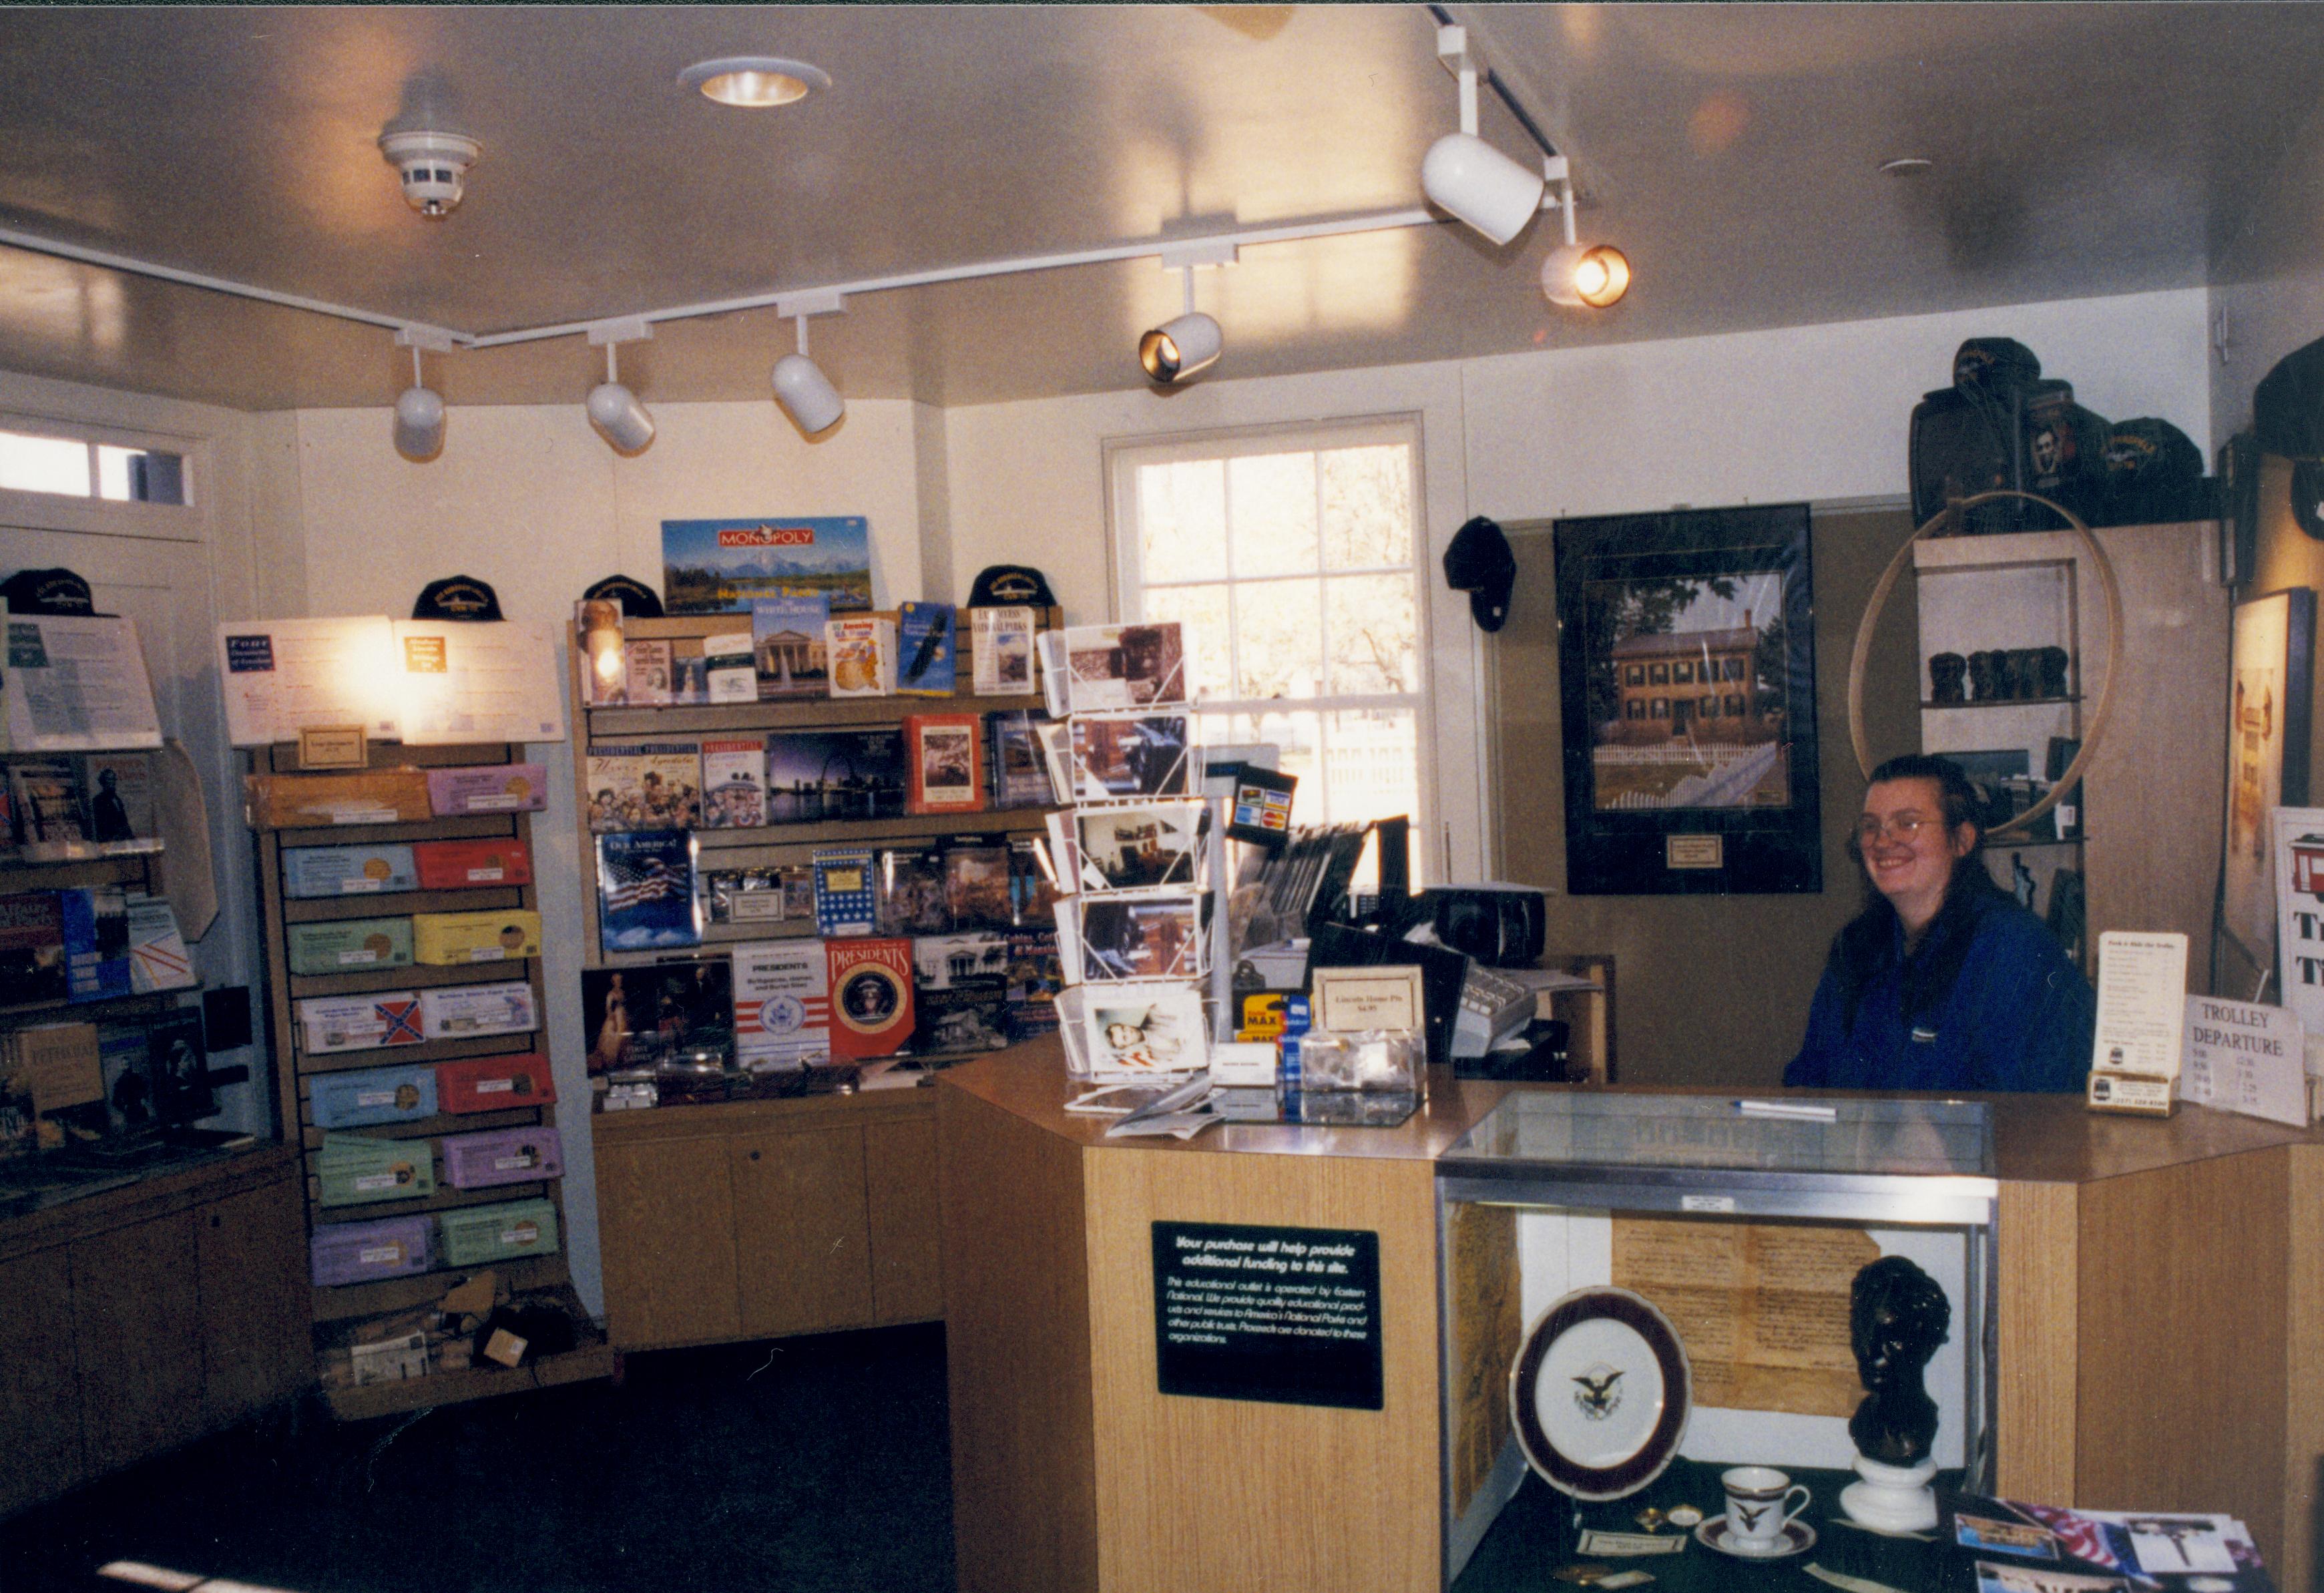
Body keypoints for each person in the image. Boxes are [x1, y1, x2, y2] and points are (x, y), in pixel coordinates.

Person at [1786, 753, 2093, 1092]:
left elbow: (2029, 1108)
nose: (1883, 842)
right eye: (1871, 826)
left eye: (1908, 823)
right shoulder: (1858, 947)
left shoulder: (2013, 949)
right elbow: (1809, 1080)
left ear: (1962, 840)